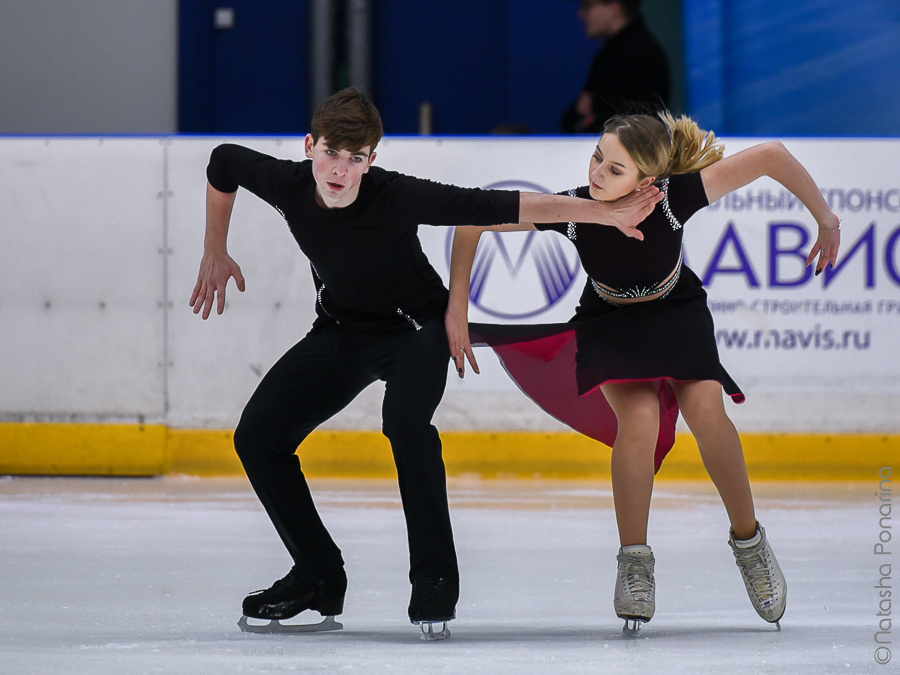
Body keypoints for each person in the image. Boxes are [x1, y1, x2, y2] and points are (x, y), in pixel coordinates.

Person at [189, 88, 662, 639]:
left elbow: (498, 207)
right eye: (331, 154)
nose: (340, 170)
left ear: (373, 159)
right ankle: (317, 573)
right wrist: (214, 247)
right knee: (258, 436)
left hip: (418, 326)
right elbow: (223, 161)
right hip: (343, 328)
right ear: (309, 147)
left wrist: (603, 214)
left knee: (406, 424)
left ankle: (435, 580)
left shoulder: (394, 196)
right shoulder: (286, 183)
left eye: (356, 158)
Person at [447, 112, 841, 634]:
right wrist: (456, 308)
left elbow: (772, 155)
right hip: (609, 320)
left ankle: (750, 544)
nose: (598, 174)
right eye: (596, 158)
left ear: (646, 182)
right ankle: (634, 562)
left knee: (706, 411)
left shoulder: (676, 200)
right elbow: (472, 221)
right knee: (639, 423)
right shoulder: (574, 209)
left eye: (615, 169)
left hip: (676, 310)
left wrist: (827, 220)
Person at [561, 0, 671, 134]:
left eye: (588, 6)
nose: (581, 14)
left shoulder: (639, 56)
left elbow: (614, 128)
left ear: (614, 7)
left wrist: (586, 121)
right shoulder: (609, 55)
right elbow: (571, 120)